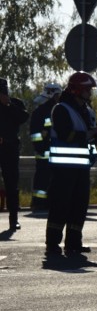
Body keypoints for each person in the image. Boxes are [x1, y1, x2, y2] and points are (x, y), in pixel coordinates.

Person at [45, 72, 97, 255]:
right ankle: (52, 243)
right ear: (77, 90)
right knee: (60, 205)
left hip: (81, 168)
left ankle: (74, 243)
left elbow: (89, 137)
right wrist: (89, 135)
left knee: (79, 206)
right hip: (63, 168)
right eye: (88, 89)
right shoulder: (61, 109)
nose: (91, 93)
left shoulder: (87, 111)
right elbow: (66, 135)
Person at [0, 78, 30, 231]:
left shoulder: (15, 104)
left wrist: (8, 104)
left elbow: (24, 117)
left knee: (12, 184)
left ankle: (14, 219)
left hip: (9, 149)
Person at [28, 82, 62, 212]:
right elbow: (36, 133)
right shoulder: (42, 110)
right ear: (53, 94)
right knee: (42, 179)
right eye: (58, 95)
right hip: (44, 153)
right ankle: (38, 202)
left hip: (51, 152)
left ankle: (45, 202)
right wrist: (40, 148)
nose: (59, 97)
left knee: (48, 180)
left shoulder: (53, 109)